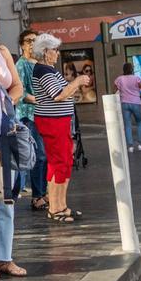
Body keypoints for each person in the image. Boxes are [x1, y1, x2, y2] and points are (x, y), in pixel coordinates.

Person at [0, 5, 26, 281]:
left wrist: (6, 101)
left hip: (5, 130)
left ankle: (4, 257)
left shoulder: (2, 52)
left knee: (6, 197)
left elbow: (18, 85)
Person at [30, 33, 91, 223]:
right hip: (51, 122)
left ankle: (62, 205)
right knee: (58, 162)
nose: (57, 53)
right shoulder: (42, 71)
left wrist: (74, 85)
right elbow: (58, 95)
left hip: (60, 121)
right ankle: (55, 207)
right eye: (55, 50)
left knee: (64, 161)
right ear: (46, 51)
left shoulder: (51, 70)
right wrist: (78, 82)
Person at [15, 30, 49, 212]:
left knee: (45, 157)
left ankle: (43, 192)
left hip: (43, 114)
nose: (31, 44)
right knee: (39, 155)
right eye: (28, 41)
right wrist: (41, 99)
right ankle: (37, 196)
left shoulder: (39, 63)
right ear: (21, 45)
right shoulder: (21, 65)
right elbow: (21, 92)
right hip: (29, 116)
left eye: (35, 41)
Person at [114, 62, 141, 152]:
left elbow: (116, 89)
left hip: (125, 103)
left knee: (127, 125)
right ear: (132, 69)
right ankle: (140, 145)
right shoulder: (136, 78)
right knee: (139, 123)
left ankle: (130, 146)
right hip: (136, 102)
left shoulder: (119, 79)